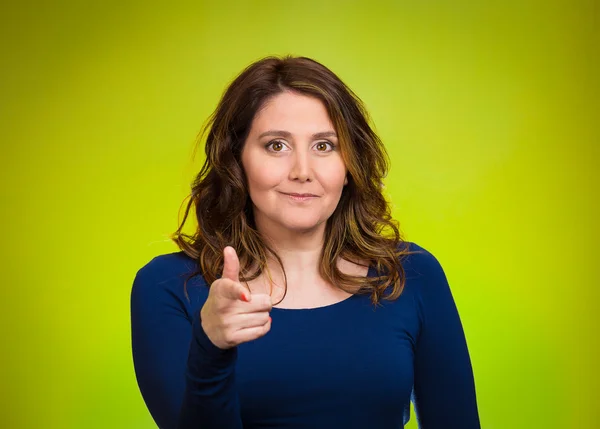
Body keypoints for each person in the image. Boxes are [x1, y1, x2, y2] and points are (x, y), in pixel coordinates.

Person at [130, 55, 481, 429]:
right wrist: (211, 347)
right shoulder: (168, 287)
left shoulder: (410, 274)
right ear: (237, 160)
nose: (302, 172)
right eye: (276, 145)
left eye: (324, 146)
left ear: (349, 165)